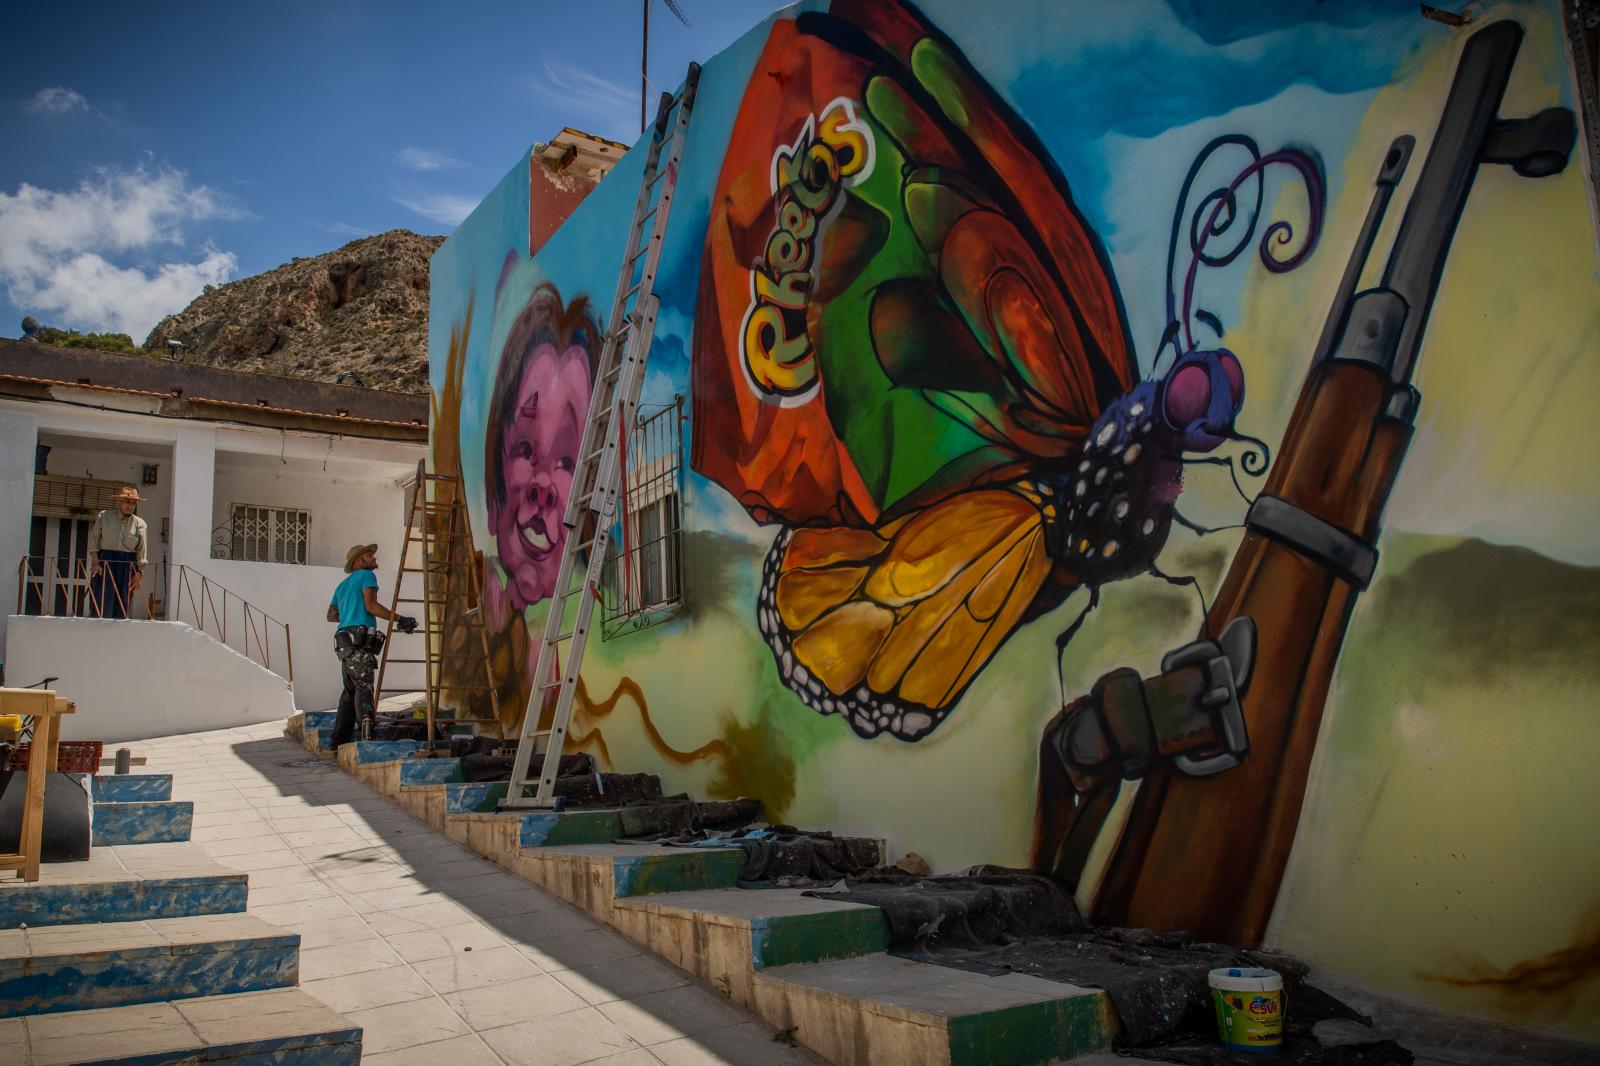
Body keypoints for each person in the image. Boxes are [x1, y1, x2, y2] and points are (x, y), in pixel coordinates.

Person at [327, 543, 415, 747]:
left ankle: (338, 742)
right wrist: (400, 619)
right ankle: (367, 741)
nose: (374, 557)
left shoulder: (341, 586)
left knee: (350, 691)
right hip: (359, 640)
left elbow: (331, 615)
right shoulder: (367, 576)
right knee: (364, 687)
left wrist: (350, 613)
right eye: (369, 555)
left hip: (343, 641)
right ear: (359, 561)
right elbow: (371, 605)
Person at [89, 486, 148, 619]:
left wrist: (139, 573)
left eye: (133, 503)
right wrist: (95, 563)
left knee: (123, 600)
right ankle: (97, 630)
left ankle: (118, 632)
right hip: (106, 560)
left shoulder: (140, 524)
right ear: (119, 501)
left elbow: (142, 551)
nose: (130, 506)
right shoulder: (104, 516)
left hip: (128, 563)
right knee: (102, 598)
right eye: (127, 502)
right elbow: (94, 542)